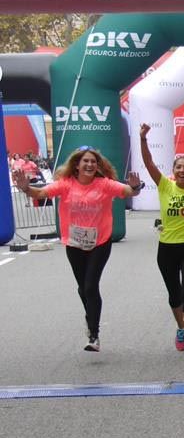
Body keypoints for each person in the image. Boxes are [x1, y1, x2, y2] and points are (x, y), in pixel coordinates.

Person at [10, 147, 144, 351]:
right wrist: (26, 188)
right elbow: (42, 192)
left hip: (99, 242)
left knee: (91, 286)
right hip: (74, 244)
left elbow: (127, 191)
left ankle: (94, 334)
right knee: (83, 288)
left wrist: (135, 188)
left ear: (97, 166)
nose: (90, 165)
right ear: (77, 165)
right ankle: (91, 316)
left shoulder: (105, 185)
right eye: (86, 162)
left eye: (93, 162)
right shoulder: (66, 185)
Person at [139, 123, 184, 355]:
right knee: (174, 293)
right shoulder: (165, 186)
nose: (182, 170)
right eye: (178, 167)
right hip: (166, 249)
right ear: (174, 170)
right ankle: (180, 327)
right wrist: (143, 139)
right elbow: (149, 164)